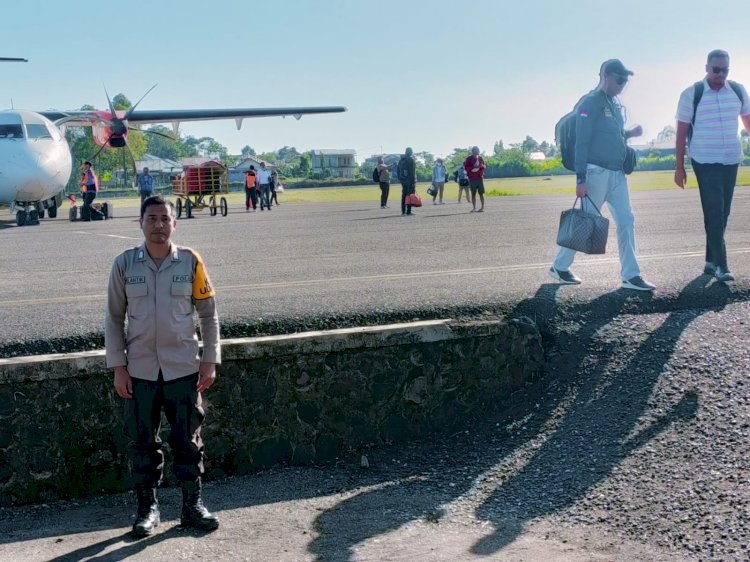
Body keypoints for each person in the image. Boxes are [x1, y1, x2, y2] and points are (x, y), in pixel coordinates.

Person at [105, 194, 221, 537]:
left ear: (175, 223)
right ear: (140, 223)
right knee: (142, 443)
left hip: (183, 368)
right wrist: (118, 367)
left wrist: (210, 360)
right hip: (139, 371)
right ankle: (147, 510)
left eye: (164, 219)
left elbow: (209, 316)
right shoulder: (124, 264)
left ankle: (192, 507)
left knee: (187, 440)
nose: (158, 225)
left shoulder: (190, 261)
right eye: (151, 219)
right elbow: (113, 319)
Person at [549, 58, 655, 291]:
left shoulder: (614, 105)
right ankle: (559, 266)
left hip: (617, 174)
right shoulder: (590, 102)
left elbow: (610, 136)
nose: (623, 85)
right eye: (620, 79)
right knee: (584, 222)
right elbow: (582, 142)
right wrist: (580, 179)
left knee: (627, 221)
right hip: (596, 172)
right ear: (605, 75)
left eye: (625, 81)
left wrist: (629, 134)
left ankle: (631, 275)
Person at [674, 49, 750, 282]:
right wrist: (679, 166)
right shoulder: (692, 93)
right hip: (704, 160)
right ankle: (722, 265)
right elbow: (681, 132)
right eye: (716, 69)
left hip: (730, 159)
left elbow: (748, 122)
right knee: (714, 210)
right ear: (707, 68)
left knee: (723, 211)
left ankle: (709, 260)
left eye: (724, 70)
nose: (720, 74)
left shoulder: (738, 91)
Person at [463, 146, 486, 212]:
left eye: (478, 150)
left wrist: (480, 167)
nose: (478, 151)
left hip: (479, 178)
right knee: (473, 194)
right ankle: (474, 208)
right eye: (476, 150)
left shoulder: (480, 158)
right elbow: (466, 167)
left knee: (481, 193)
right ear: (473, 151)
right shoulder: (468, 159)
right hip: (472, 179)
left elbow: (484, 166)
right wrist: (473, 167)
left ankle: (482, 207)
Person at [397, 147, 417, 216]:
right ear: (410, 152)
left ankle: (403, 211)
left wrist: (400, 179)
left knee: (404, 195)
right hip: (410, 181)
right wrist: (413, 181)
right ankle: (409, 211)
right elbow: (412, 172)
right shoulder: (411, 160)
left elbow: (398, 171)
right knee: (410, 195)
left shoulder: (401, 160)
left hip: (403, 180)